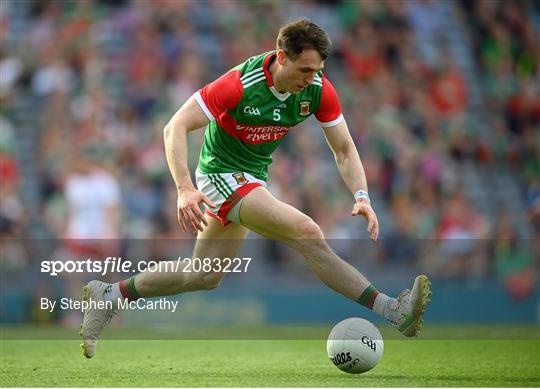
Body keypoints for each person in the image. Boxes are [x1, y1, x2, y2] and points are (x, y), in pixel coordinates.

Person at [80, 19, 431, 358]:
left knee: (202, 275)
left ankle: (109, 295)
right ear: (282, 57)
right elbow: (175, 127)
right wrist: (184, 188)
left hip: (251, 178)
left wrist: (362, 196)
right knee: (307, 231)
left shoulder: (318, 89)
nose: (311, 79)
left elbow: (343, 148)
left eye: (317, 70)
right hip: (218, 174)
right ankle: (393, 310)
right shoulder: (239, 84)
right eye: (304, 70)